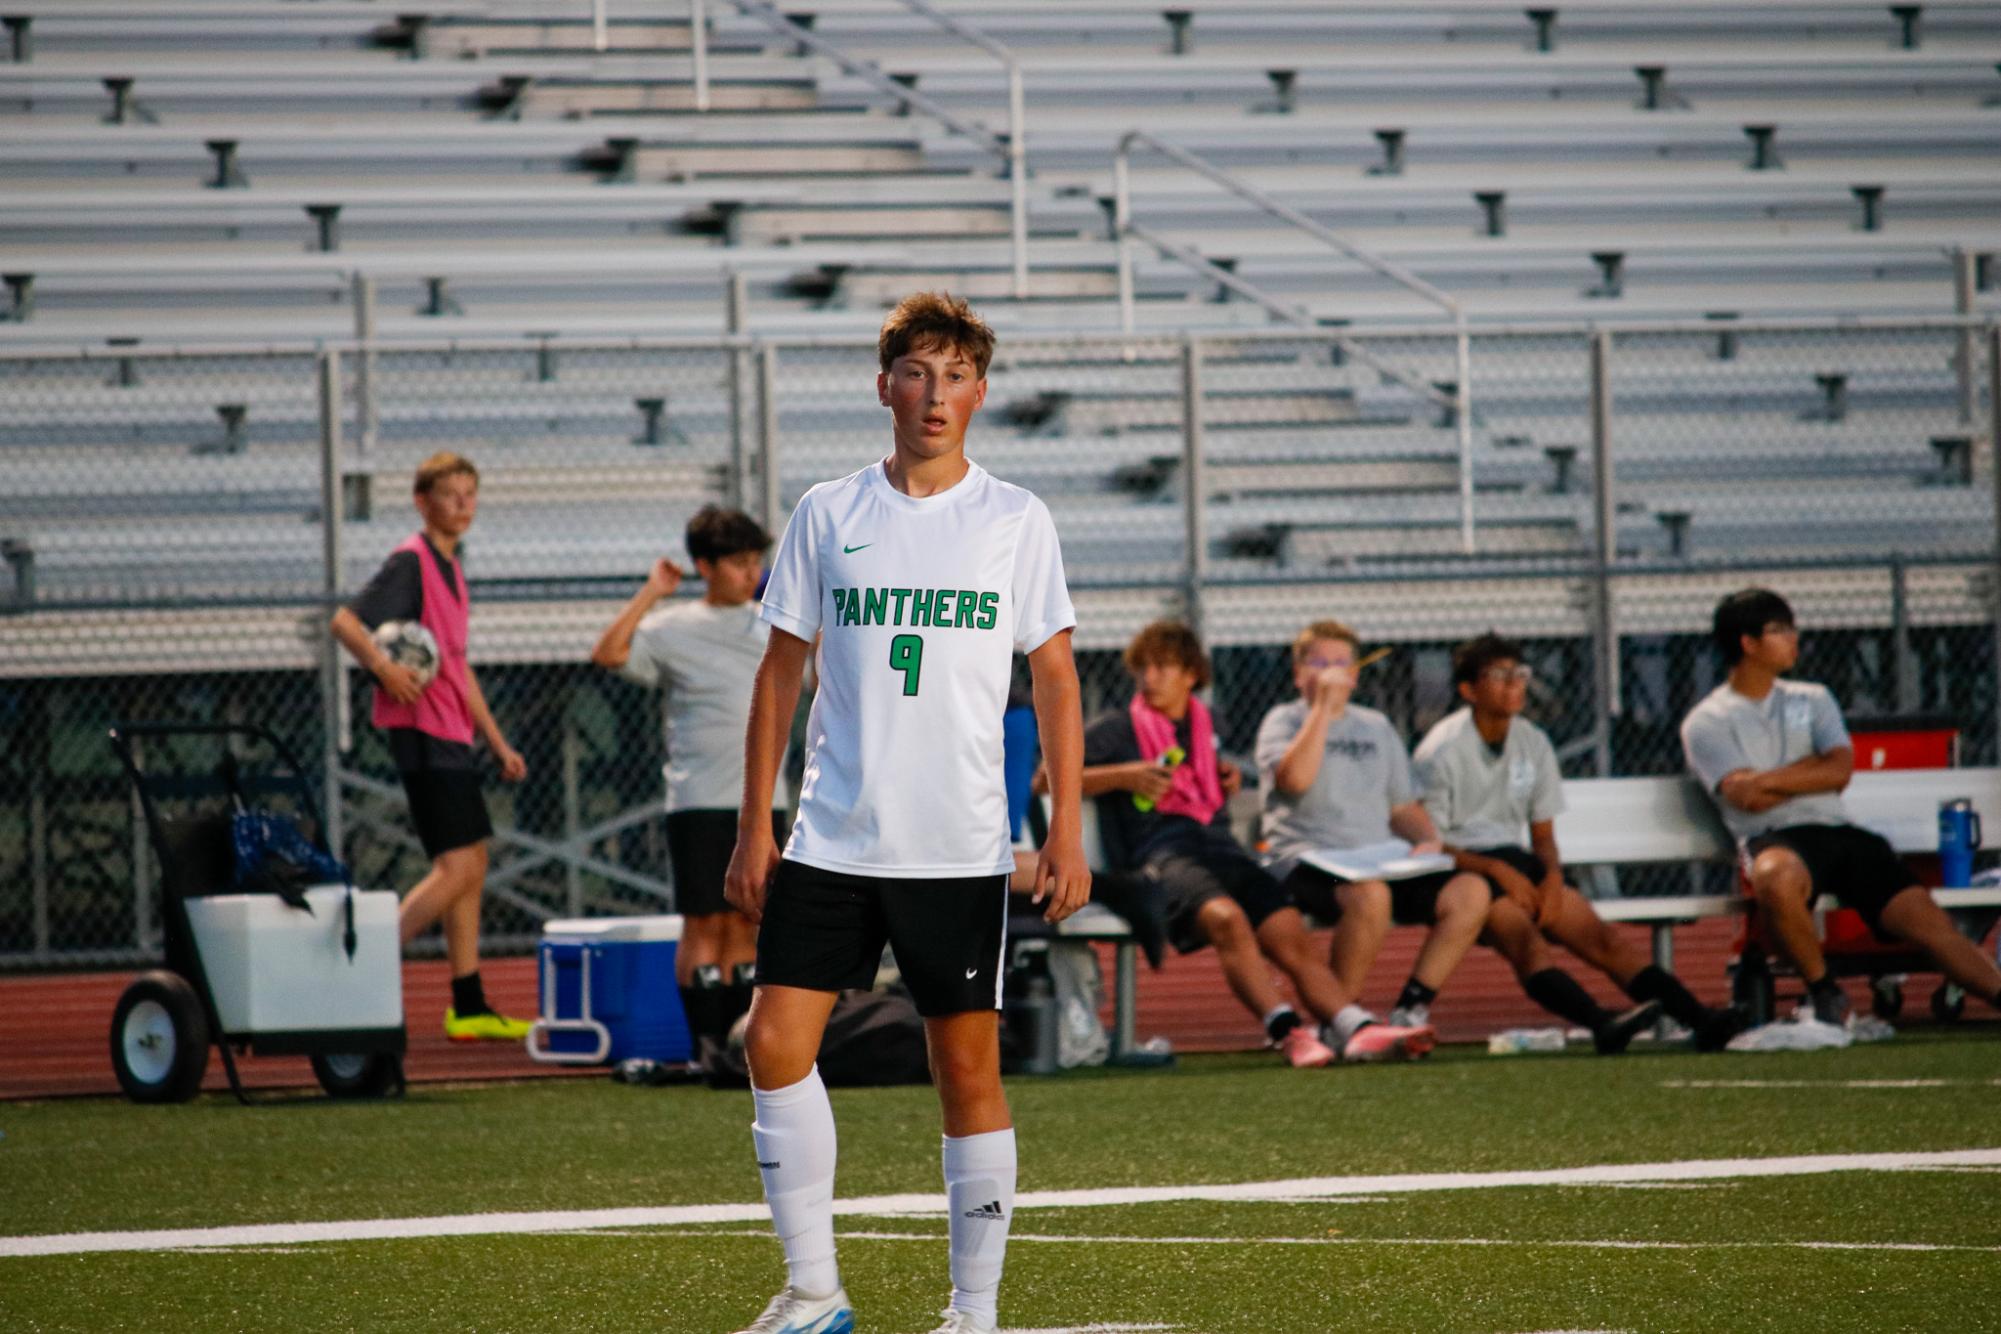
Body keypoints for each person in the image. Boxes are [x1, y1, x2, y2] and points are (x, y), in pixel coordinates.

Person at [723, 292, 1090, 1334]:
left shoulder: (1016, 518)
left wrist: (1061, 828)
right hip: (832, 836)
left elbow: (1056, 679)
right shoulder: (828, 512)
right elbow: (778, 676)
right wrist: (758, 824)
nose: (936, 395)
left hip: (958, 845)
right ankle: (813, 1291)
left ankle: (973, 1310)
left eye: (956, 375)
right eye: (916, 372)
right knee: (773, 1042)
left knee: (965, 1066)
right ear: (885, 385)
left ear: (981, 391)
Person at [1082, 620, 1432, 1066]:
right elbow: (1045, 777)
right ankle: (1288, 1032)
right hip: (1163, 852)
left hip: (1221, 846)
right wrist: (1125, 774)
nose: (1149, 678)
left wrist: (1222, 774)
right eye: (1143, 669)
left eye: (1162, 667)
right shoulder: (1116, 729)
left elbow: (1202, 772)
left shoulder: (1209, 723)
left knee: (1287, 933)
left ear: (1191, 674)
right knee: (1227, 919)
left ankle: (1354, 1026)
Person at [1681, 588, 2001, 1026]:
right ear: (1747, 642)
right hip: (1775, 837)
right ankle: (1825, 994)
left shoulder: (1812, 698)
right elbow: (1746, 798)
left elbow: (1839, 770)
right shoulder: (1708, 720)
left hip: (1840, 832)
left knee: (1928, 923)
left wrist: (1767, 776)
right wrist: (1805, 770)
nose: (1795, 638)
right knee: (1773, 878)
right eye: (1780, 629)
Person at [1416, 632, 1745, 1050]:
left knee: (1601, 939)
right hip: (1467, 872)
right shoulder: (1441, 749)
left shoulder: (1532, 741)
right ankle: (1600, 1023)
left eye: (1520, 674)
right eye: (1499, 676)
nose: (1515, 685)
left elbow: (1542, 833)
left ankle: (1700, 1020)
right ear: (1468, 690)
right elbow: (1431, 842)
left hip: (1515, 863)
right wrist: (1497, 870)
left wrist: (1552, 876)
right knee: (1525, 941)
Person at [328, 451, 530, 1041]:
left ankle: (467, 1005)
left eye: (471, 493)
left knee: (472, 864)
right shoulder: (411, 562)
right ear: (423, 502)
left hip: (452, 732)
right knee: (459, 864)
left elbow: (457, 665)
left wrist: (496, 742)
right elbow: (344, 622)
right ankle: (359, 964)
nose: (464, 504)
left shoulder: (452, 566)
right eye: (451, 494)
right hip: (420, 731)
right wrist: (383, 670)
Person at [590, 505, 784, 1057]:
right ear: (705, 566)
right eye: (738, 563)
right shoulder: (672, 627)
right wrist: (652, 592)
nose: (751, 574)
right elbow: (608, 653)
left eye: (756, 562)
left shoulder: (772, 622)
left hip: (765, 798)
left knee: (752, 921)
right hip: (699, 799)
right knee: (704, 922)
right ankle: (705, 1045)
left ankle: (742, 1042)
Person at [1257, 620, 1489, 1044]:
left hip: (1377, 857)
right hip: (1304, 858)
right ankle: (1342, 1022)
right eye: (1319, 662)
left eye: (1340, 663)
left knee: (1470, 891)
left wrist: (1427, 839)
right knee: (1371, 896)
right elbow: (1295, 780)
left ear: (1355, 672)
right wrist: (1322, 711)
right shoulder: (1283, 720)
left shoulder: (1376, 726)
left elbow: (1401, 806)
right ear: (1298, 673)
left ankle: (1409, 1007)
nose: (1330, 671)